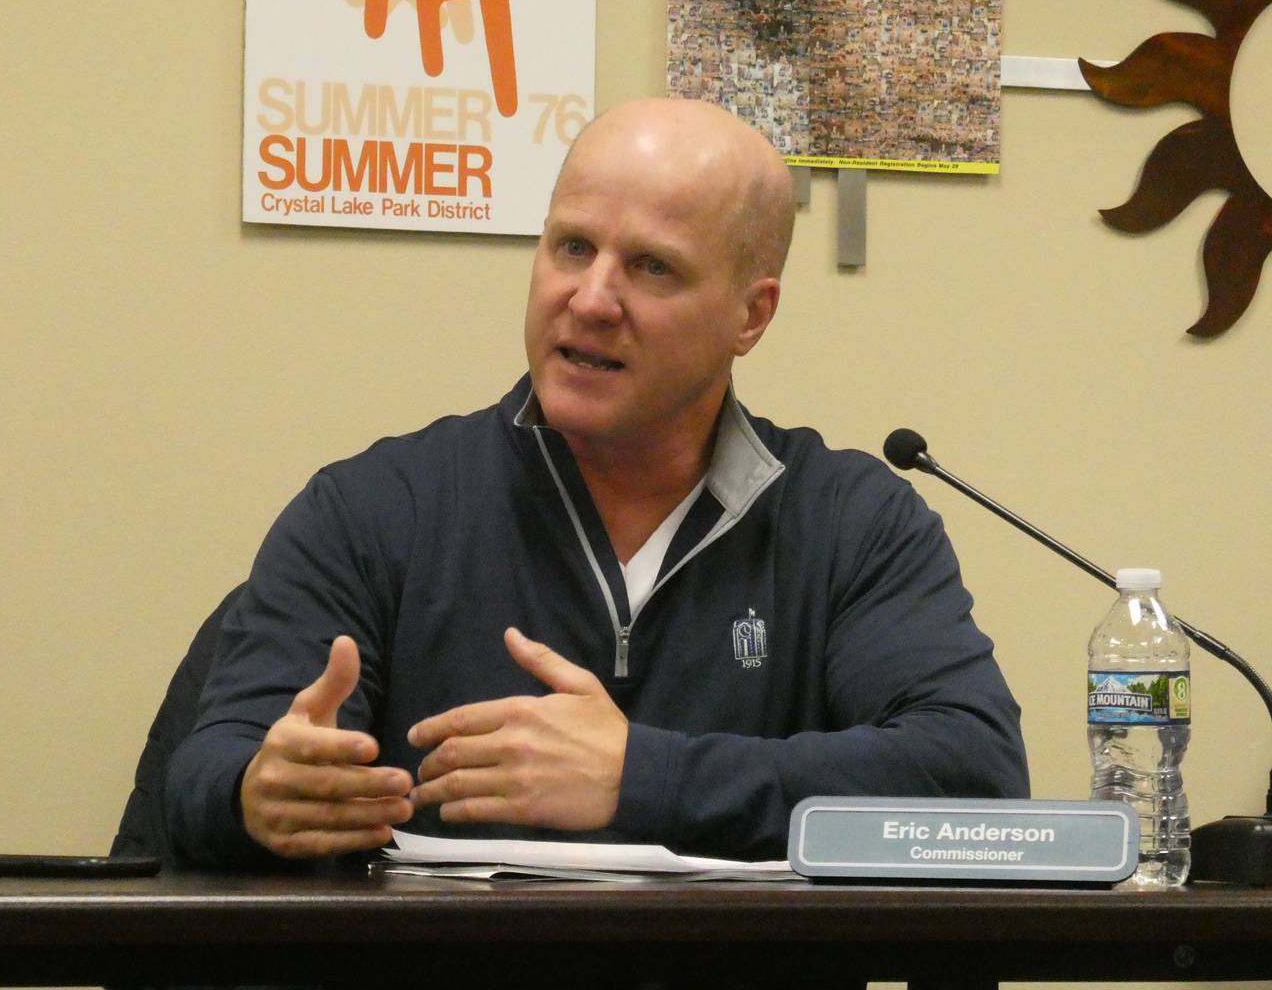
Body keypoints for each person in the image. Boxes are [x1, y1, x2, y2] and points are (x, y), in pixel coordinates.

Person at [164, 98, 1029, 868]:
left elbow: (974, 778)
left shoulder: (851, 522)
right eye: (572, 246)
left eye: (653, 267)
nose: (590, 299)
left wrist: (643, 776)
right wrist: (256, 791)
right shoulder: (379, 506)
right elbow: (207, 766)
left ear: (750, 314)